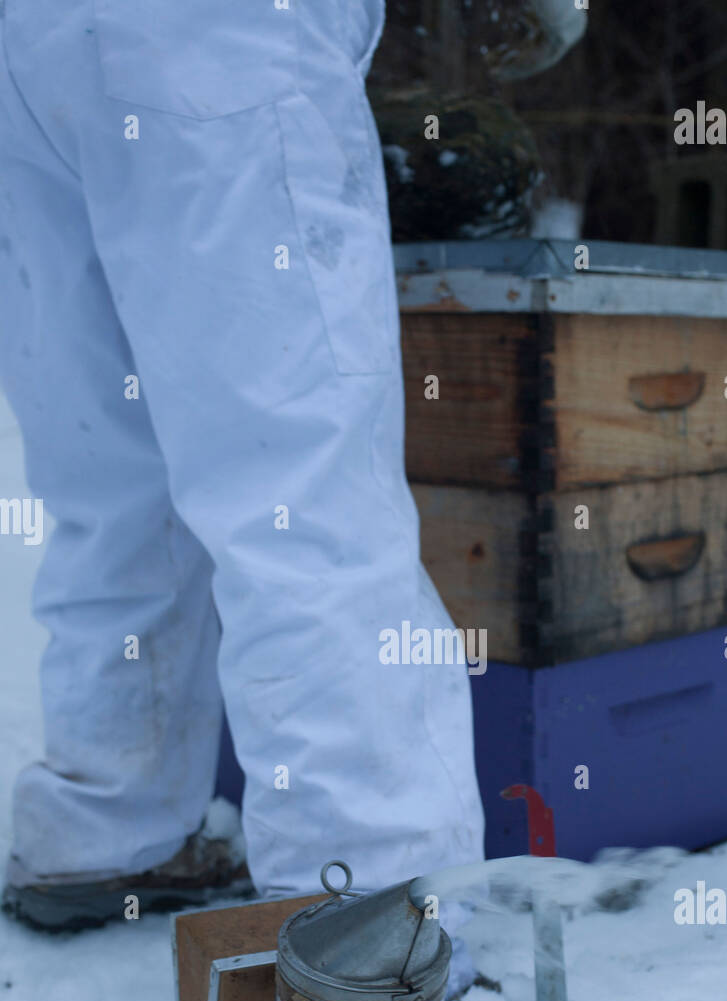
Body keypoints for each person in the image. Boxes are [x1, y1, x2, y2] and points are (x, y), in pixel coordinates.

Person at [0, 0, 485, 932]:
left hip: (24, 54)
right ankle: (369, 918)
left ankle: (104, 833)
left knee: (110, 480)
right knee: (303, 498)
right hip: (213, 38)